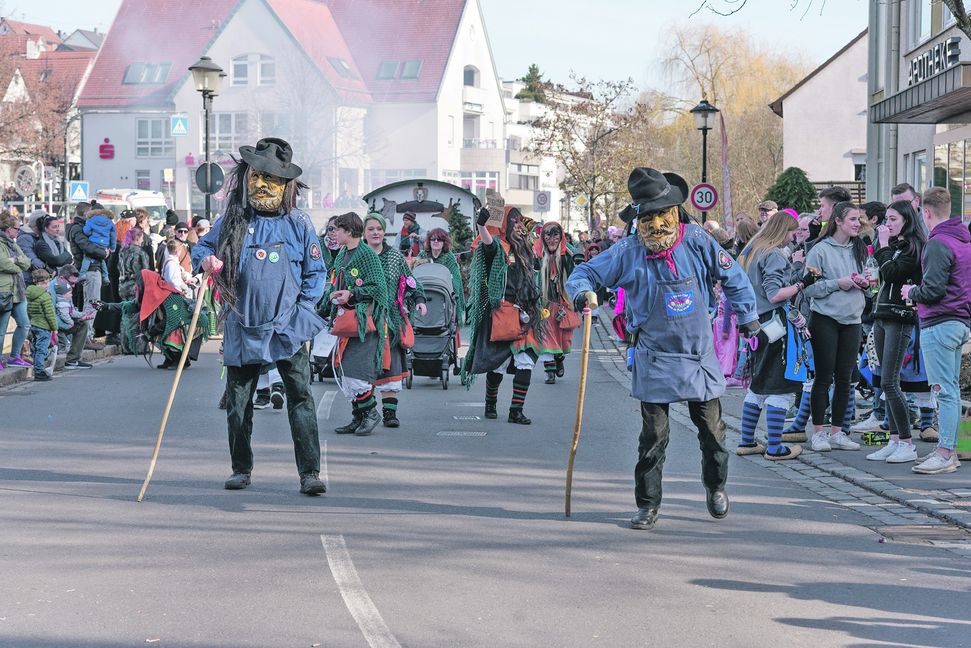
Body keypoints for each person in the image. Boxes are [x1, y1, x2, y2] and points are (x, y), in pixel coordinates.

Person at [567, 168, 760, 530]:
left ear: (674, 211)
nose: (656, 223)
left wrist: (749, 315)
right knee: (653, 439)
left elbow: (732, 275)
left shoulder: (698, 241)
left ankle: (716, 486)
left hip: (698, 356)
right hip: (654, 357)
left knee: (713, 433)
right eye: (647, 216)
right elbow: (583, 274)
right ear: (638, 217)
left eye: (662, 213)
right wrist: (583, 293)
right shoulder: (627, 251)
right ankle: (648, 504)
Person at [193, 137, 328, 495]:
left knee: (300, 398)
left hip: (288, 328)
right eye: (257, 175)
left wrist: (303, 310)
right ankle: (241, 468)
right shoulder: (233, 219)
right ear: (246, 177)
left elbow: (316, 273)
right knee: (238, 404)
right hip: (243, 325)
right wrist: (205, 259)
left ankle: (310, 473)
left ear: (287, 186)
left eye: (272, 178)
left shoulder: (299, 223)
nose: (262, 184)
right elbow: (203, 245)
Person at [901, 187, 971, 474]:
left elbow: (932, 290)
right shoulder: (963, 240)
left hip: (940, 323)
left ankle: (944, 452)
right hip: (958, 322)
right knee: (950, 390)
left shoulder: (938, 243)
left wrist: (911, 290)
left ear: (926, 212)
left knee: (943, 391)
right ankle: (948, 450)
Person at [461, 205, 543, 425]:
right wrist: (481, 225)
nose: (519, 226)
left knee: (526, 360)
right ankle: (490, 402)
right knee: (497, 364)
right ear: (506, 225)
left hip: (526, 315)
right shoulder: (499, 247)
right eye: (514, 221)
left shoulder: (527, 249)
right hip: (502, 314)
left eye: (520, 221)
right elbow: (487, 244)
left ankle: (516, 410)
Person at [735, 212, 807, 460]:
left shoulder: (752, 250)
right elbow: (775, 293)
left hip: (755, 323)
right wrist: (802, 283)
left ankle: (747, 441)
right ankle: (775, 447)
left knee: (759, 383)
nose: (793, 237)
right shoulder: (774, 253)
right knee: (781, 386)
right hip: (775, 324)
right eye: (791, 233)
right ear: (781, 231)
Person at [802, 202, 868, 452]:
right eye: (852, 219)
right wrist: (835, 284)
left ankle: (838, 431)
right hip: (825, 319)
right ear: (838, 221)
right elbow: (808, 288)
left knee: (845, 379)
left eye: (859, 219)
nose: (857, 223)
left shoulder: (860, 248)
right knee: (823, 377)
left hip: (853, 319)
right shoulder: (820, 250)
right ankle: (818, 432)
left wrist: (864, 283)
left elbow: (872, 282)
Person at [864, 201, 925, 464]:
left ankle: (907, 443)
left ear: (907, 220)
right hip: (882, 314)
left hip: (900, 317)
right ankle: (894, 439)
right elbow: (882, 273)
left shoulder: (912, 248)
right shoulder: (895, 246)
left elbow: (891, 273)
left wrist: (884, 245)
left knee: (890, 381)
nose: (886, 224)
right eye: (886, 219)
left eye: (893, 219)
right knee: (883, 381)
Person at [322, 211, 389, 436]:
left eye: (336, 229)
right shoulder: (342, 254)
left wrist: (352, 293)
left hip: (364, 323)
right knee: (344, 370)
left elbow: (380, 289)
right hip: (346, 322)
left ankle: (371, 413)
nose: (333, 234)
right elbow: (335, 283)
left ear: (349, 231)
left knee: (355, 371)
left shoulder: (366, 255)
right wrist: (325, 305)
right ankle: (358, 417)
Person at [364, 212, 426, 427]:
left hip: (391, 319)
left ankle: (390, 414)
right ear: (364, 232)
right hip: (365, 320)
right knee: (364, 367)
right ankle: (365, 412)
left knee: (391, 369)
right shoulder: (357, 255)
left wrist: (419, 298)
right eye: (371, 229)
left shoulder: (394, 257)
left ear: (384, 232)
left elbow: (410, 281)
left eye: (379, 229)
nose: (375, 233)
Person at [533, 221, 578, 384]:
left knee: (564, 338)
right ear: (543, 238)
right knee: (546, 336)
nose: (552, 240)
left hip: (564, 302)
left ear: (561, 237)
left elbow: (579, 270)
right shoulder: (536, 254)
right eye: (548, 236)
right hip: (544, 304)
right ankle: (549, 370)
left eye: (555, 236)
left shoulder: (569, 254)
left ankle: (559, 358)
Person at [0, 211, 32, 368]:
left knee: (24, 324)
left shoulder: (13, 244)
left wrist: (15, 260)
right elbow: (3, 264)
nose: (18, 232)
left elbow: (27, 263)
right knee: (1, 329)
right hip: (4, 291)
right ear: (8, 229)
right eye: (17, 229)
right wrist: (16, 265)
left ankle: (14, 356)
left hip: (18, 292)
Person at [50, 264, 94, 368]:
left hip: (65, 321)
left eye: (75, 283)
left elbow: (70, 309)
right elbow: (51, 315)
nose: (74, 286)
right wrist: (68, 325)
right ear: (61, 278)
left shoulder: (66, 287)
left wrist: (81, 317)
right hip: (53, 324)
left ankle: (72, 360)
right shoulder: (51, 289)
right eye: (72, 283)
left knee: (83, 324)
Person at [418, 227, 465, 318]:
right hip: (425, 291)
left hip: (443, 293)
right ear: (429, 241)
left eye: (439, 239)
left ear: (444, 243)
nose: (436, 241)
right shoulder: (422, 255)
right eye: (433, 239)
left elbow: (456, 278)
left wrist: (452, 293)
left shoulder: (449, 257)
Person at [25, 268, 57, 381]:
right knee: (42, 349)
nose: (47, 285)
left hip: (34, 324)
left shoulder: (30, 295)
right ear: (43, 282)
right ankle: (39, 371)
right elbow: (50, 314)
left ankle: (36, 368)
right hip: (44, 327)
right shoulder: (45, 296)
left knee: (36, 348)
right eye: (46, 283)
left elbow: (28, 311)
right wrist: (55, 328)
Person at [80, 208, 116, 282]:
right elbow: (113, 236)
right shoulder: (110, 222)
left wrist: (91, 234)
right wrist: (112, 247)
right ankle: (105, 276)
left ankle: (82, 274)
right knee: (101, 258)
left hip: (94, 242)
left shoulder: (91, 220)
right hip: (104, 244)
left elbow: (86, 231)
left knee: (87, 257)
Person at [118, 226, 151, 300]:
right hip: (135, 288)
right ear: (137, 238)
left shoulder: (122, 251)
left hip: (122, 287)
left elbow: (119, 268)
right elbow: (146, 272)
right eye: (142, 238)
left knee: (125, 309)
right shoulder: (140, 253)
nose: (142, 240)